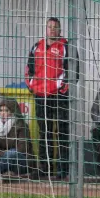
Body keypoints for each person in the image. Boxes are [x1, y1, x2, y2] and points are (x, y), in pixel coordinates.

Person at [25, 17, 79, 179]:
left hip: (59, 96)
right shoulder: (37, 47)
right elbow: (29, 69)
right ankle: (45, 169)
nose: (52, 29)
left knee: (62, 132)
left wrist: (62, 88)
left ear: (60, 29)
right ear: (46, 29)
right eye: (49, 27)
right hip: (41, 96)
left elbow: (74, 72)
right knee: (44, 133)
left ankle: (64, 171)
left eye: (55, 27)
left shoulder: (67, 46)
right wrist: (33, 86)